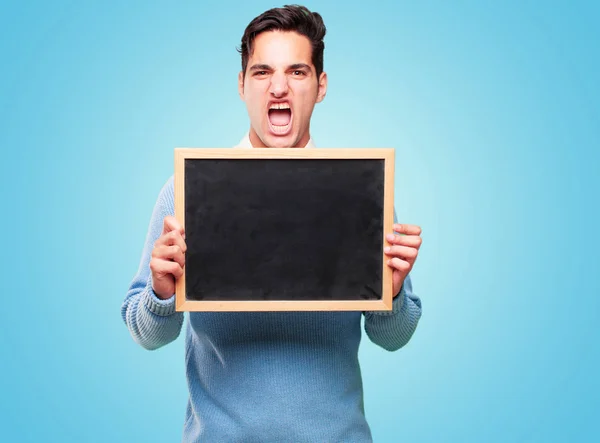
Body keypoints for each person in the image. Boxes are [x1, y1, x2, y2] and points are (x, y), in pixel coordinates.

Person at [121, 5, 423, 442]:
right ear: (242, 85)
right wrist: (161, 293)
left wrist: (391, 291)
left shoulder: (363, 191)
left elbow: (394, 338)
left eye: (297, 72)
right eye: (262, 72)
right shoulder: (186, 189)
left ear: (320, 86)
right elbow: (145, 334)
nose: (279, 88)